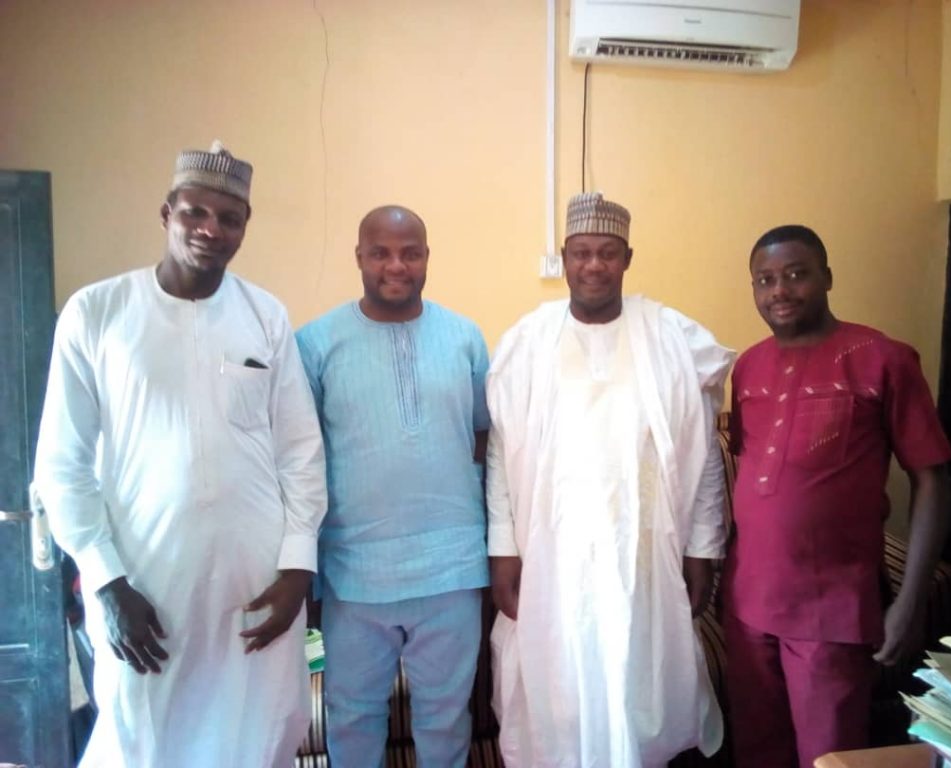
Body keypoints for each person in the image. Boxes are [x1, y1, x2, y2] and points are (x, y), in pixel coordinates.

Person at [33, 142, 327, 768]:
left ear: (245, 226)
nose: (210, 229)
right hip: (144, 587)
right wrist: (106, 582)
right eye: (195, 212)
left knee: (260, 731)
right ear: (167, 212)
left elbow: (300, 450)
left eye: (229, 218)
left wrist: (298, 570)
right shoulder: (97, 313)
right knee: (143, 737)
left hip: (256, 585)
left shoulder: (264, 315)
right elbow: (62, 464)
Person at [486, 192, 734, 767]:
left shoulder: (671, 337)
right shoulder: (528, 341)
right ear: (564, 258)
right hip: (553, 555)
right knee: (560, 693)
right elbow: (501, 451)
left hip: (641, 557)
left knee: (634, 685)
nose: (593, 265)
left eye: (607, 252)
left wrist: (703, 548)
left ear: (628, 258)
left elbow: (703, 454)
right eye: (581, 252)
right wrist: (503, 549)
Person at [723, 224, 951, 768]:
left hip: (831, 610)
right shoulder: (747, 367)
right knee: (756, 753)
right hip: (748, 603)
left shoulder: (882, 358)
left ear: (827, 277)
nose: (780, 290)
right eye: (765, 280)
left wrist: (911, 601)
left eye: (796, 274)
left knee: (831, 758)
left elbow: (933, 480)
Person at [296, 205, 490, 767]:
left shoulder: (465, 338)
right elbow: (301, 460)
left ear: (428, 257)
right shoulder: (315, 344)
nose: (396, 266)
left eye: (410, 253)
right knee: (351, 719)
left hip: (452, 571)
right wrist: (306, 573)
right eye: (380, 253)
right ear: (359, 256)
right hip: (353, 576)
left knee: (446, 719)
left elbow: (482, 439)